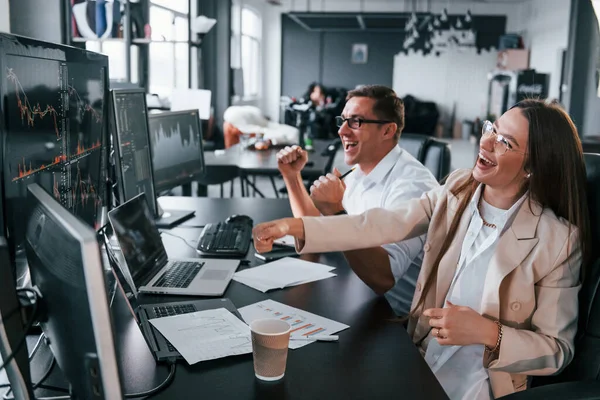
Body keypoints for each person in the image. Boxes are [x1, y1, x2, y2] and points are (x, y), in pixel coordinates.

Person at [254, 99, 591, 399]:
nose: (485, 142)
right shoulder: (458, 188)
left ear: (532, 165)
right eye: (492, 128)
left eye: (504, 142)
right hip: (418, 355)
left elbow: (557, 350)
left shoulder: (557, 240)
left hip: (479, 382)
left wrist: (490, 333)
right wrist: (295, 226)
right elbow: (383, 223)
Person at [276, 85, 439, 315]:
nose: (342, 130)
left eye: (356, 122)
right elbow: (317, 230)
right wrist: (292, 177)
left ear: (387, 130)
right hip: (355, 293)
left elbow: (384, 278)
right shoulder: (359, 170)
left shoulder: (412, 186)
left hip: (392, 319)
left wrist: (336, 213)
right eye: (342, 120)